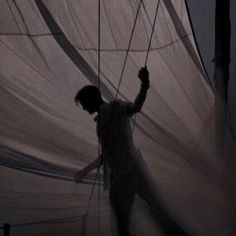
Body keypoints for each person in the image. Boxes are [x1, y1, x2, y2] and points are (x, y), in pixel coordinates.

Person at [74, 67, 189, 236]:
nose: (83, 108)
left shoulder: (115, 107)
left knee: (157, 211)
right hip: (119, 179)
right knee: (128, 223)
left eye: (84, 104)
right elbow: (107, 155)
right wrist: (85, 171)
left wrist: (144, 84)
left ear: (91, 100)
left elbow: (135, 107)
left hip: (133, 173)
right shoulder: (100, 120)